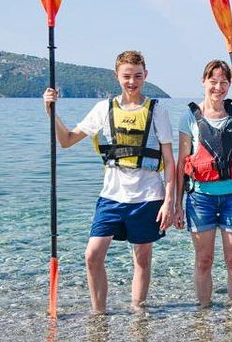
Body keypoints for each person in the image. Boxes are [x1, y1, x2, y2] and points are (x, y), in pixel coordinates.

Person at [42, 50, 175, 314]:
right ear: (117, 76)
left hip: (148, 196)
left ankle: (138, 312)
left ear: (145, 75)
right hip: (112, 196)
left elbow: (170, 161)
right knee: (92, 255)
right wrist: (51, 112)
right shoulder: (103, 109)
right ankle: (99, 313)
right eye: (126, 76)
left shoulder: (157, 110)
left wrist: (169, 202)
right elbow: (67, 140)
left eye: (137, 76)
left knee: (142, 257)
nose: (132, 82)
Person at [174, 59, 232, 310]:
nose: (218, 87)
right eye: (213, 81)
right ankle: (204, 311)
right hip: (201, 199)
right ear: (203, 81)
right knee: (204, 260)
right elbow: (181, 163)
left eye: (224, 82)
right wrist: (176, 204)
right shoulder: (189, 117)